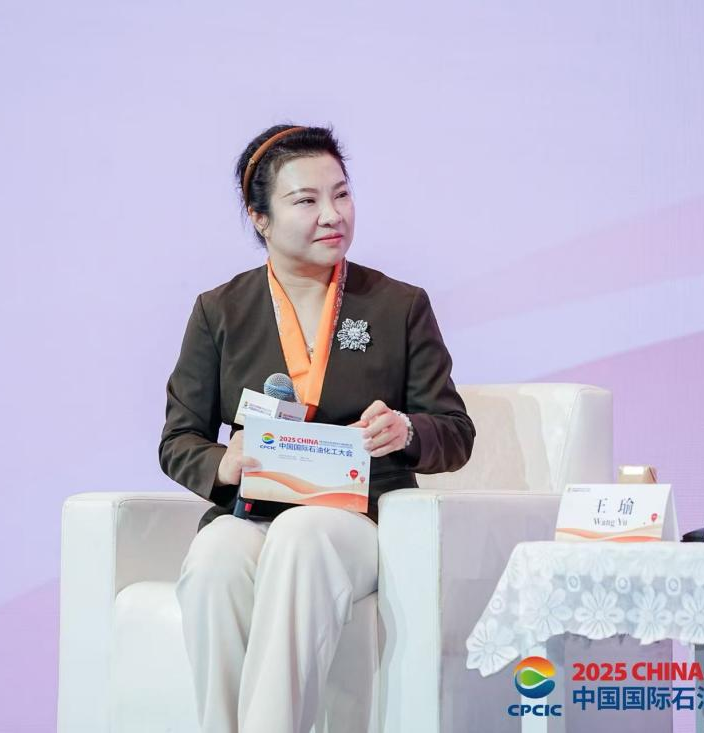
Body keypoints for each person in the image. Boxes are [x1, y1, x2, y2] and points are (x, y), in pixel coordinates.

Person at [158, 124, 475, 733]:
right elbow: (178, 440)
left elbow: (455, 432)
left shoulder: (398, 304)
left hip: (357, 519)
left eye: (342, 194)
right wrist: (224, 463)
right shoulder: (220, 311)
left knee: (301, 535)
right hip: (254, 512)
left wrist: (406, 431)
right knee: (216, 558)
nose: (333, 215)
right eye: (306, 200)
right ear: (261, 218)